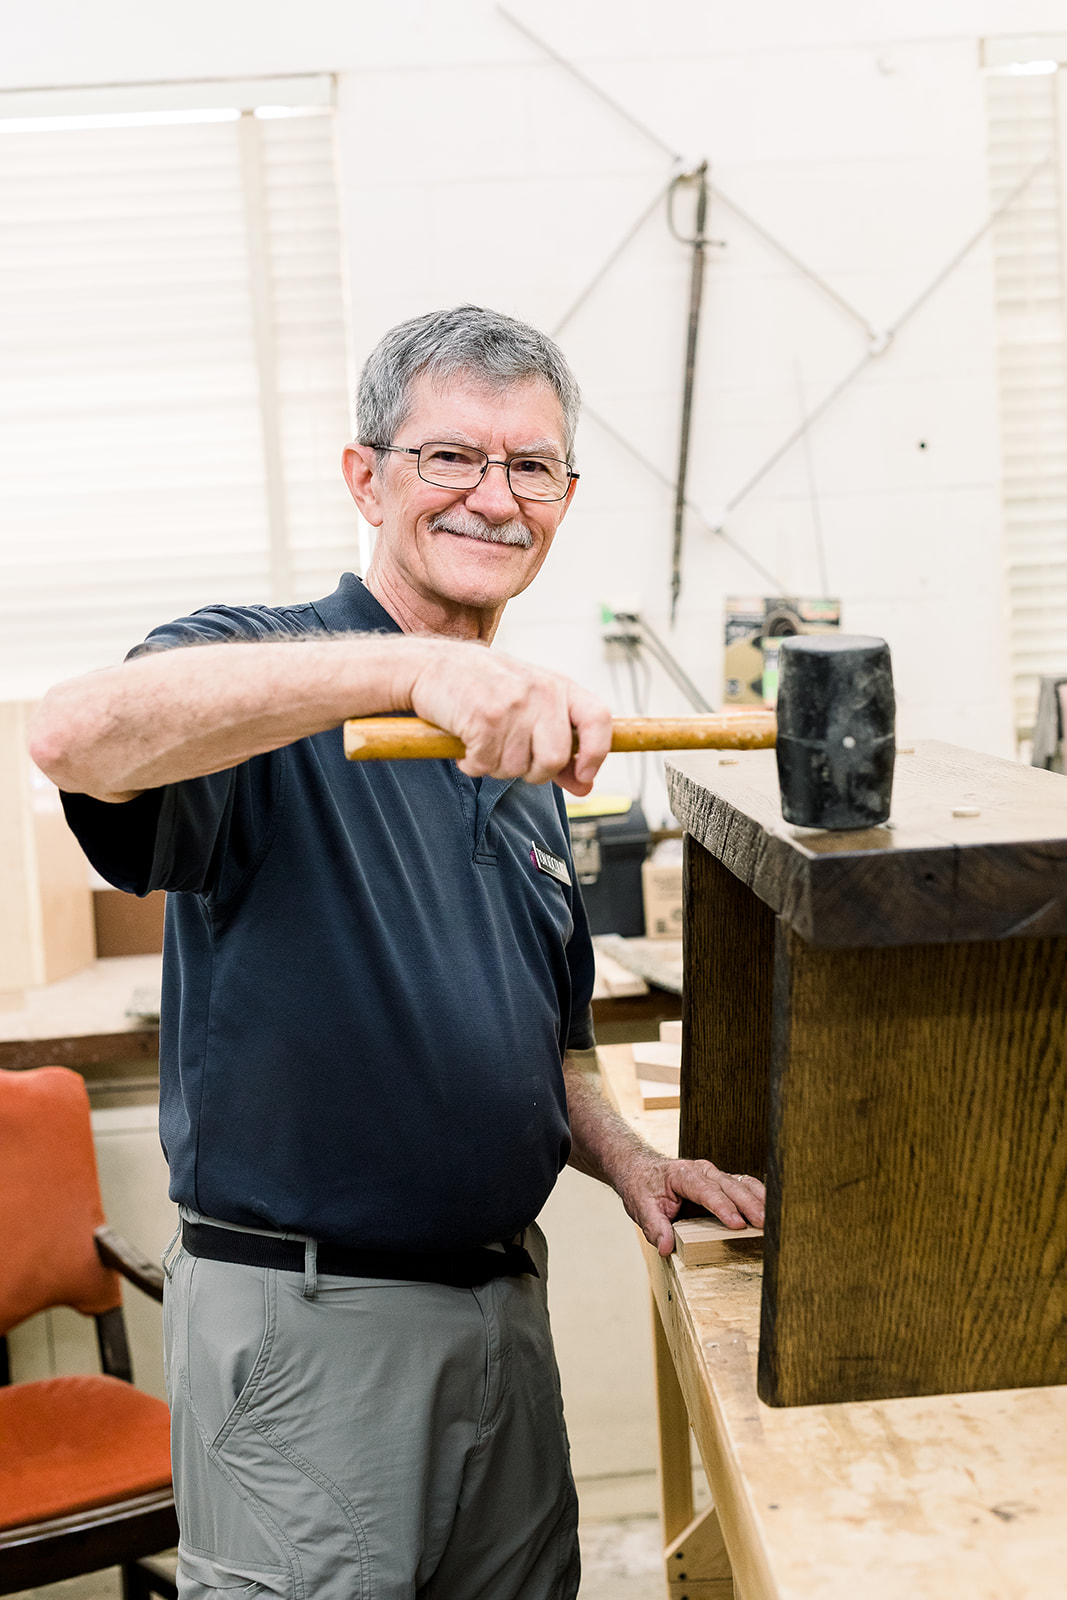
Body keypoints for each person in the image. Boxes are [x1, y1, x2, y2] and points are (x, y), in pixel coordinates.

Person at [31, 305, 765, 1600]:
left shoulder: (517, 753)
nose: (495, 496)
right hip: (310, 1338)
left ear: (565, 497)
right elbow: (73, 735)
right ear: (366, 475)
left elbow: (552, 1045)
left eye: (530, 466)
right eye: (450, 458)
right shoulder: (267, 678)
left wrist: (634, 1162)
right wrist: (410, 667)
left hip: (498, 1316)